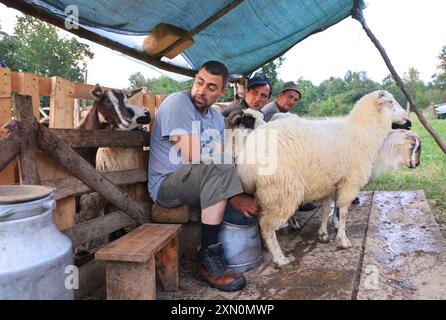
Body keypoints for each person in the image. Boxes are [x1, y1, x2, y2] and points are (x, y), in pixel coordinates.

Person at [148, 60, 258, 292]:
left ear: (222, 91)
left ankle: (250, 243)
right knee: (220, 163)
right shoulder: (178, 103)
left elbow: (222, 159)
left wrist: (241, 187)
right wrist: (234, 194)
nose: (201, 91)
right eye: (199, 82)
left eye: (210, 87)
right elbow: (193, 156)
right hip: (168, 185)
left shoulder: (217, 118)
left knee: (233, 163)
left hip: (200, 181)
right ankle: (207, 258)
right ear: (195, 79)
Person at [261, 81, 317, 212]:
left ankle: (302, 197)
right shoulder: (270, 112)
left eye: (295, 100)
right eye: (290, 97)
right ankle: (298, 200)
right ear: (280, 95)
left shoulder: (283, 113)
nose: (292, 102)